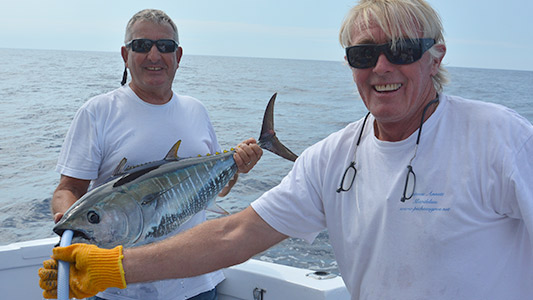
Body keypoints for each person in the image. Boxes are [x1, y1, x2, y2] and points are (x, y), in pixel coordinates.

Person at [40, 1, 533, 299]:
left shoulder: (499, 138)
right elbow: (234, 233)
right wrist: (113, 266)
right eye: (364, 54)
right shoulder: (333, 158)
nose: (382, 67)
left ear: (436, 56)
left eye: (402, 50)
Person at [48, 9, 262, 300]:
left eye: (165, 46)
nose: (153, 55)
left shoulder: (196, 110)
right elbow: (68, 188)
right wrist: (70, 223)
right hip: (120, 290)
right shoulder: (98, 112)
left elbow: (219, 189)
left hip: (199, 283)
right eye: (141, 45)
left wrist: (237, 167)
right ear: (125, 55)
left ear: (178, 55)